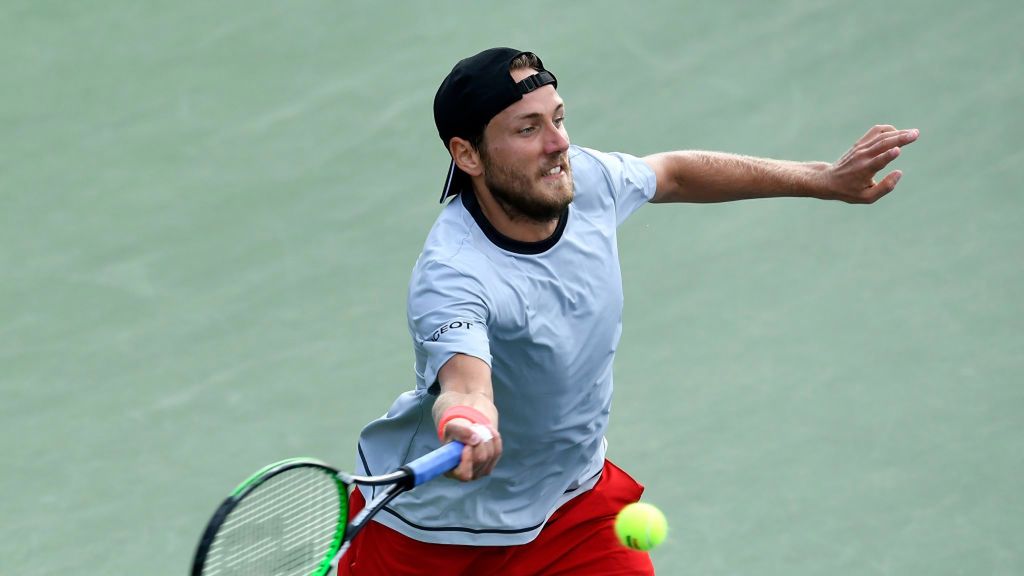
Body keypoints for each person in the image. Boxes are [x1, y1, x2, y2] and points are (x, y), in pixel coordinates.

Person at [339, 47, 919, 575]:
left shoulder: (586, 181)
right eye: (528, 128)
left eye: (558, 119)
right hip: (428, 535)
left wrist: (821, 178)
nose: (558, 143)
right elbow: (465, 385)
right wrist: (467, 421)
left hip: (569, 509)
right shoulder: (454, 272)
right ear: (467, 154)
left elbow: (672, 171)